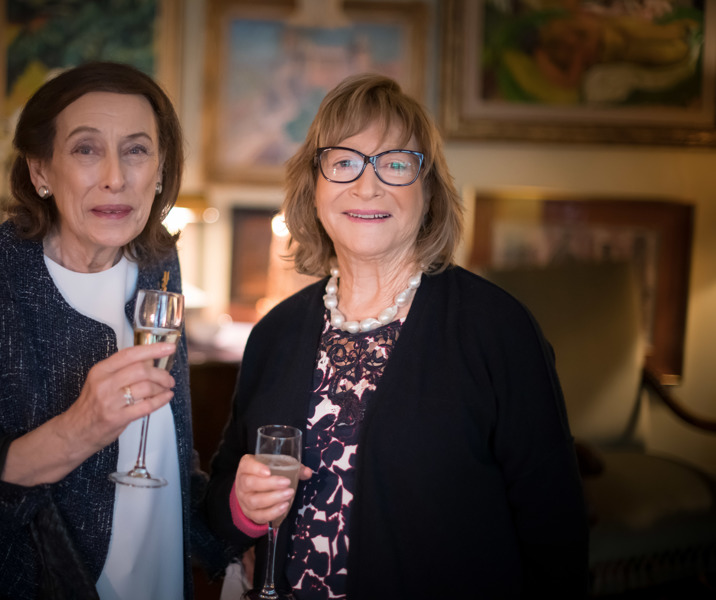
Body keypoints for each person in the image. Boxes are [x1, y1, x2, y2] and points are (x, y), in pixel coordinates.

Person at [204, 73, 589, 599]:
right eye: (344, 162)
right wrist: (243, 508)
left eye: (396, 163)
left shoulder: (498, 329)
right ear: (313, 187)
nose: (367, 186)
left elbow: (556, 533)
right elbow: (221, 505)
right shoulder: (276, 331)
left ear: (428, 190)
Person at [0, 62, 225, 599]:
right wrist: (80, 429)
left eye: (136, 150)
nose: (115, 177)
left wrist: (231, 536)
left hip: (158, 576)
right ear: (40, 171)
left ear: (161, 168)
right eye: (86, 149)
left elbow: (173, 438)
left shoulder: (157, 260)